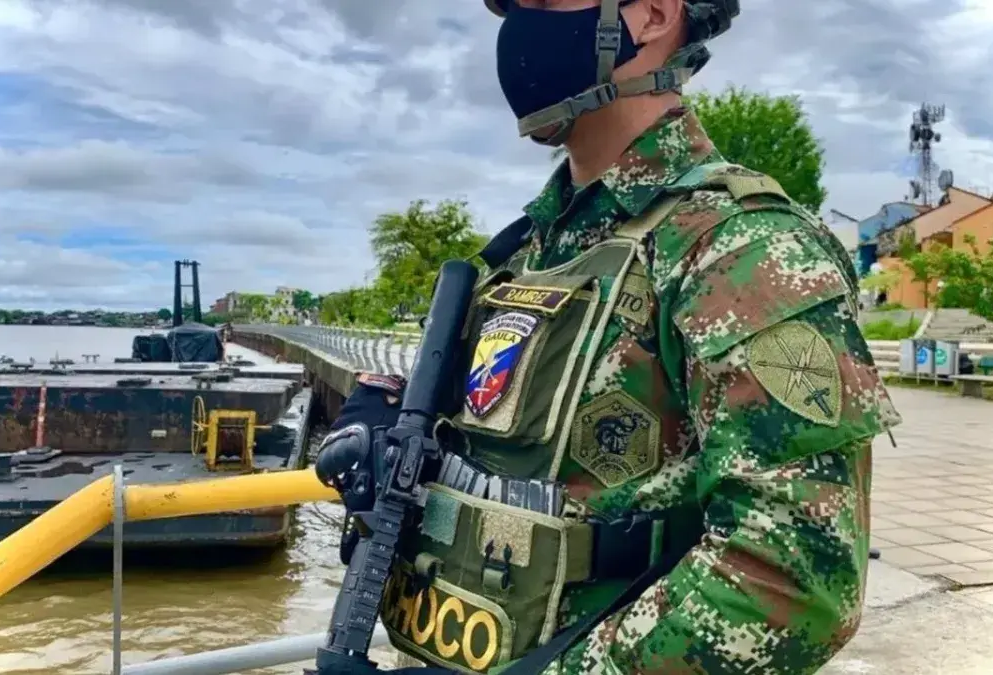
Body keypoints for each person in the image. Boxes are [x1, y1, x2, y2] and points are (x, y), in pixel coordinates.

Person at [317, 1, 902, 673]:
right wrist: (393, 422)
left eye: (544, 1)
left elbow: (793, 580)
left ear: (651, 15)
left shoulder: (741, 249)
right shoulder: (527, 252)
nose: (519, 28)